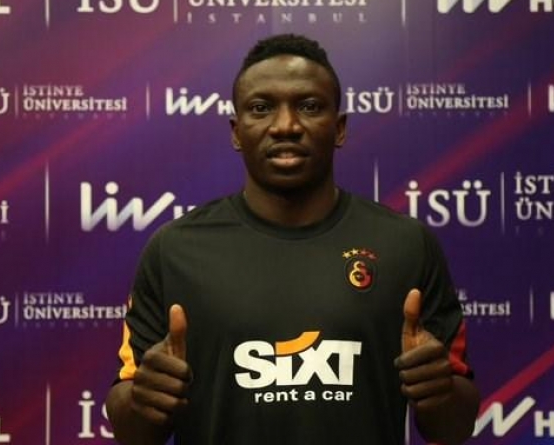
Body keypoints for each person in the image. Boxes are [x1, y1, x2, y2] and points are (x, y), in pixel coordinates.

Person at [106, 33, 480, 445]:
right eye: (261, 108)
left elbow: (455, 427)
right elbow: (130, 430)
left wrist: (439, 391)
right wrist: (144, 399)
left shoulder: (405, 245)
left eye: (309, 106)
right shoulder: (175, 251)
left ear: (339, 128)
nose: (286, 126)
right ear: (236, 131)